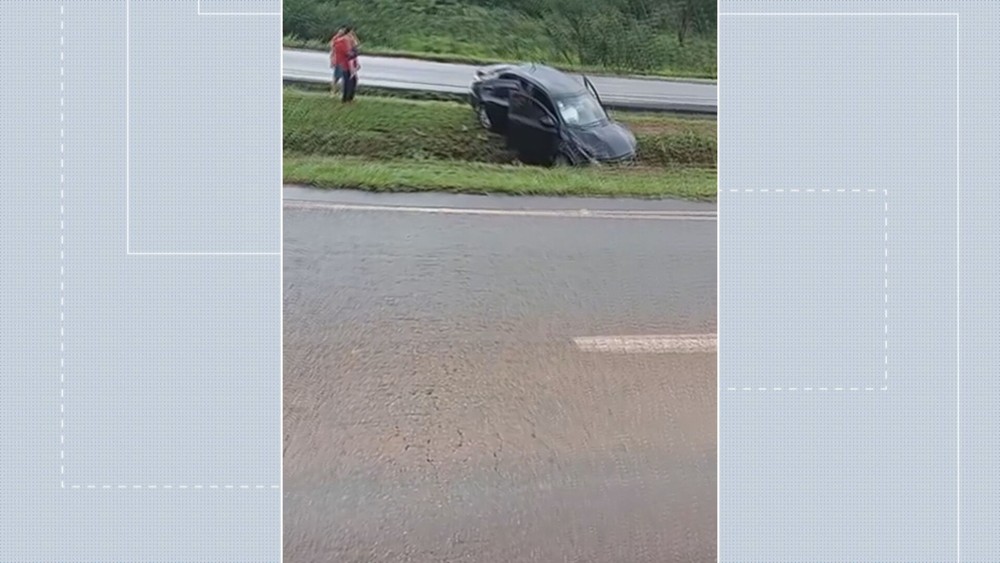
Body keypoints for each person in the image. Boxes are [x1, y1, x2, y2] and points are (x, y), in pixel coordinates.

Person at [329, 26, 347, 96]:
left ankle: (341, 92)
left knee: (344, 78)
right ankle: (333, 91)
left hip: (345, 62)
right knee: (336, 77)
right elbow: (332, 50)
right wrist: (332, 61)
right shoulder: (336, 39)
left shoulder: (345, 39)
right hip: (338, 61)